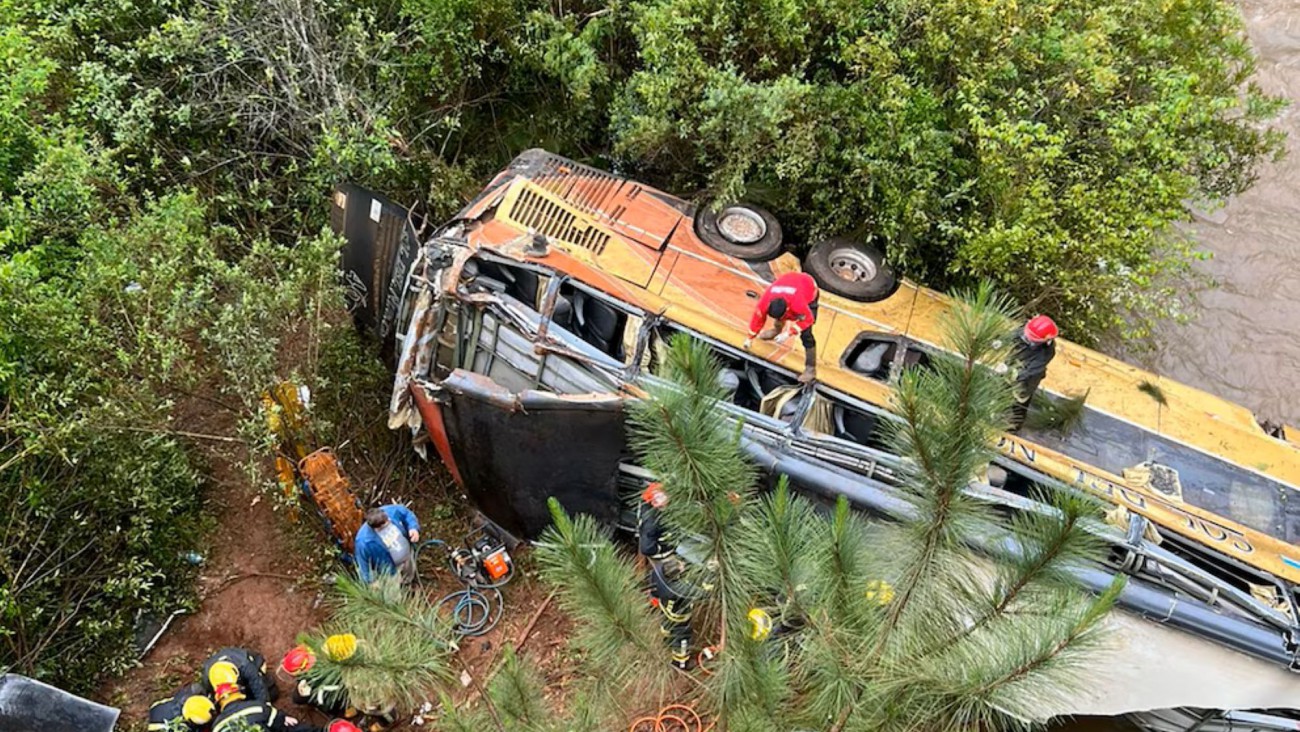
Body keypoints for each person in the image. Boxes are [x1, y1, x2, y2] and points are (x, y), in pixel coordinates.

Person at [744, 271, 820, 383]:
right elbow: (758, 318)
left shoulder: (798, 303)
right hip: (790, 282)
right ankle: (776, 330)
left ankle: (810, 368)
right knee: (778, 318)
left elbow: (808, 320)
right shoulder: (765, 300)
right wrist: (750, 337)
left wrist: (789, 333)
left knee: (806, 334)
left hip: (807, 287)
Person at [1001, 315, 1058, 431]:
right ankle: (998, 406)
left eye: (1031, 338)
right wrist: (1001, 341)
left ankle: (1015, 423)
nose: (1026, 338)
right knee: (1002, 386)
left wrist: (1014, 374)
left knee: (1020, 399)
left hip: (1028, 379)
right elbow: (1014, 335)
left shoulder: (1045, 353)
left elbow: (1031, 371)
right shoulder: (1027, 330)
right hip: (1014, 362)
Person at [210, 682, 320, 732]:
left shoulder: (216, 727)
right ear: (240, 693)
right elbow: (280, 724)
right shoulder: (257, 707)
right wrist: (283, 717)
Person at [354, 504, 421, 584]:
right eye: (386, 523)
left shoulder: (391, 511)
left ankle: (408, 582)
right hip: (389, 571)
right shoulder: (364, 542)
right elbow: (363, 564)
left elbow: (406, 513)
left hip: (407, 557)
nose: (389, 520)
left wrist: (413, 528)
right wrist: (371, 582)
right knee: (393, 587)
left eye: (388, 518)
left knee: (409, 572)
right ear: (378, 527)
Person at [201, 647, 276, 703]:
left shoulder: (245, 665)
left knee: (272, 692)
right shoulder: (207, 678)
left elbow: (258, 686)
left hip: (253, 663)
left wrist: (264, 706)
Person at [147, 682, 214, 731]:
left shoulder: (185, 696)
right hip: (155, 724)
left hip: (156, 707)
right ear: (190, 721)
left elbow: (196, 687)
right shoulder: (182, 728)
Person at [637, 483, 675, 562]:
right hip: (663, 554)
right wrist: (665, 547)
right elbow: (647, 549)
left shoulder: (646, 501)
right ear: (655, 503)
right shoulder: (652, 524)